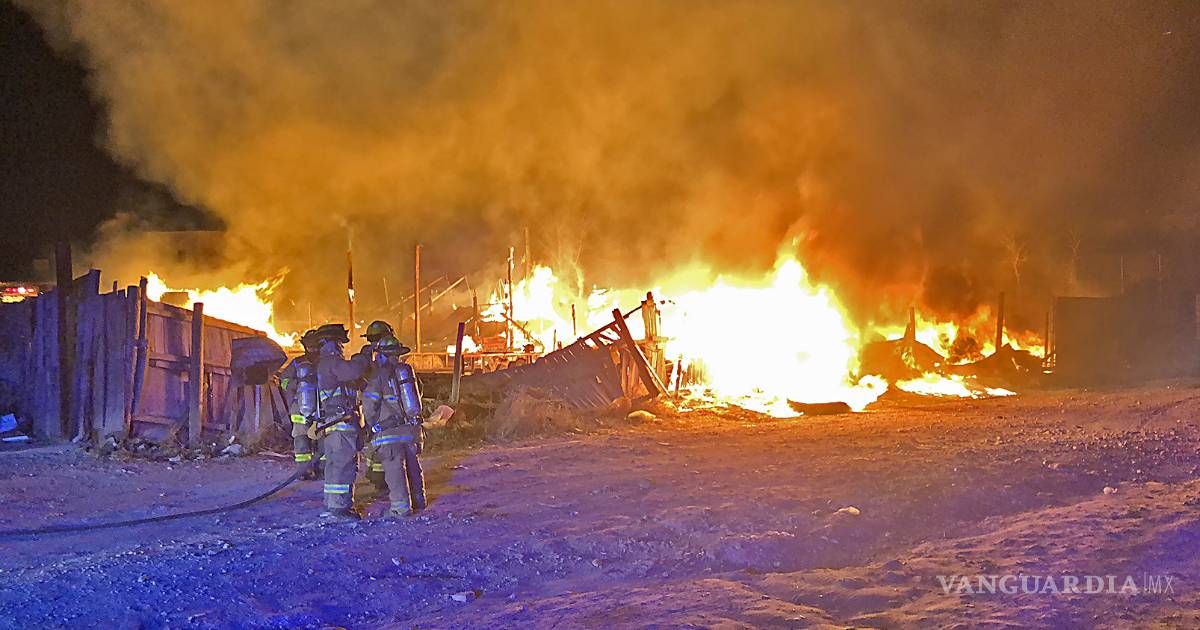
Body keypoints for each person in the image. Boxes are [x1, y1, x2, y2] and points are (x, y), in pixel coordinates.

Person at [361, 335, 427, 517]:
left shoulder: (379, 377)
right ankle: (419, 502)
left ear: (381, 355)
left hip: (389, 434)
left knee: (395, 470)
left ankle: (400, 509)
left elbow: (369, 405)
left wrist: (372, 425)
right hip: (411, 431)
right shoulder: (407, 373)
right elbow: (417, 397)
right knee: (413, 467)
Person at [311, 323, 371, 520]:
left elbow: (355, 381)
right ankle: (339, 507)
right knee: (343, 465)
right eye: (339, 343)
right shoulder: (331, 362)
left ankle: (333, 504)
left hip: (336, 424)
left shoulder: (328, 365)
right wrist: (363, 356)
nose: (341, 347)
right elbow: (353, 370)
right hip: (340, 424)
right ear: (330, 343)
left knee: (335, 465)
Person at [278, 330, 322, 478]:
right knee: (301, 437)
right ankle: (304, 470)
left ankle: (322, 468)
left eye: (314, 346)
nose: (312, 350)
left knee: (322, 436)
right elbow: (283, 381)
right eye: (310, 346)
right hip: (300, 407)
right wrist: (298, 384)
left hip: (321, 405)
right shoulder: (297, 363)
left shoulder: (325, 361)